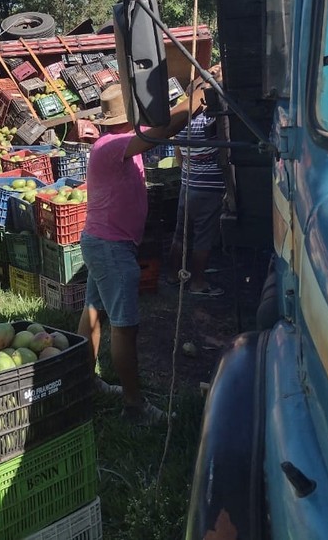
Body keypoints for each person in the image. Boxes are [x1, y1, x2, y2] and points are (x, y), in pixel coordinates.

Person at [79, 67, 219, 424]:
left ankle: (84, 382)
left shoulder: (117, 142)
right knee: (125, 326)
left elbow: (162, 125)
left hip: (104, 242)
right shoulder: (113, 145)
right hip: (111, 247)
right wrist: (197, 98)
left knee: (93, 312)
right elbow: (164, 130)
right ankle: (134, 406)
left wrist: (194, 90)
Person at [167, 109, 226, 296]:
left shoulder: (182, 123)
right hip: (208, 189)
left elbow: (178, 154)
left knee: (180, 234)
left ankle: (173, 275)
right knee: (203, 237)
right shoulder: (211, 120)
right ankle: (198, 283)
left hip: (187, 185)